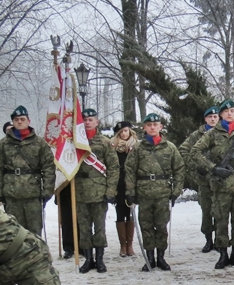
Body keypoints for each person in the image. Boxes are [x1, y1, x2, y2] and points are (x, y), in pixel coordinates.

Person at [191, 99, 234, 269]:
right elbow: (195, 152)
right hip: (220, 186)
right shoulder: (212, 134)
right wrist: (213, 168)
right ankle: (223, 254)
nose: (229, 113)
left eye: (232, 110)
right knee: (220, 220)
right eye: (226, 111)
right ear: (220, 114)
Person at [124, 113, 185, 271]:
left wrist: (176, 190)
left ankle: (161, 257)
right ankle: (150, 257)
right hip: (144, 193)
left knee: (161, 226)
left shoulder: (169, 147)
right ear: (144, 128)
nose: (152, 127)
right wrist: (130, 191)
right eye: (149, 125)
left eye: (155, 124)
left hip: (163, 193)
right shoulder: (137, 148)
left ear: (160, 127)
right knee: (146, 226)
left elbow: (179, 169)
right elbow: (129, 170)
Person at [0, 106, 55, 237]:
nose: (19, 122)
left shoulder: (39, 143)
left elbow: (48, 167)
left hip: (33, 194)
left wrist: (48, 190)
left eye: (22, 119)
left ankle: (36, 257)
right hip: (11, 194)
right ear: (12, 122)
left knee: (34, 232)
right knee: (14, 232)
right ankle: (17, 258)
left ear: (28, 121)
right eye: (16, 119)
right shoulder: (3, 144)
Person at [75, 108, 119, 274]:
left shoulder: (105, 142)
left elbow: (114, 168)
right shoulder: (76, 143)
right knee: (84, 227)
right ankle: (88, 259)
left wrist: (110, 191)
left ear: (97, 122)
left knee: (99, 227)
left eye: (91, 120)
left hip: (99, 191)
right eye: (85, 120)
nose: (87, 122)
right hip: (80, 191)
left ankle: (100, 259)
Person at [180, 107, 218, 253]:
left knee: (221, 211)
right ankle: (209, 240)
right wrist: (196, 166)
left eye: (215, 116)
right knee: (207, 210)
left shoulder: (223, 134)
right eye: (210, 117)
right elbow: (183, 150)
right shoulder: (197, 135)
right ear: (205, 119)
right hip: (204, 180)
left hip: (220, 179)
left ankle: (221, 240)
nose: (213, 119)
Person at [111, 120, 138, 257]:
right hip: (118, 185)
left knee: (131, 214)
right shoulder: (113, 147)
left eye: (126, 131)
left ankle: (130, 245)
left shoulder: (136, 147)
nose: (123, 134)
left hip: (131, 185)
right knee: (120, 213)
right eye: (121, 132)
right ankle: (123, 245)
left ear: (130, 132)